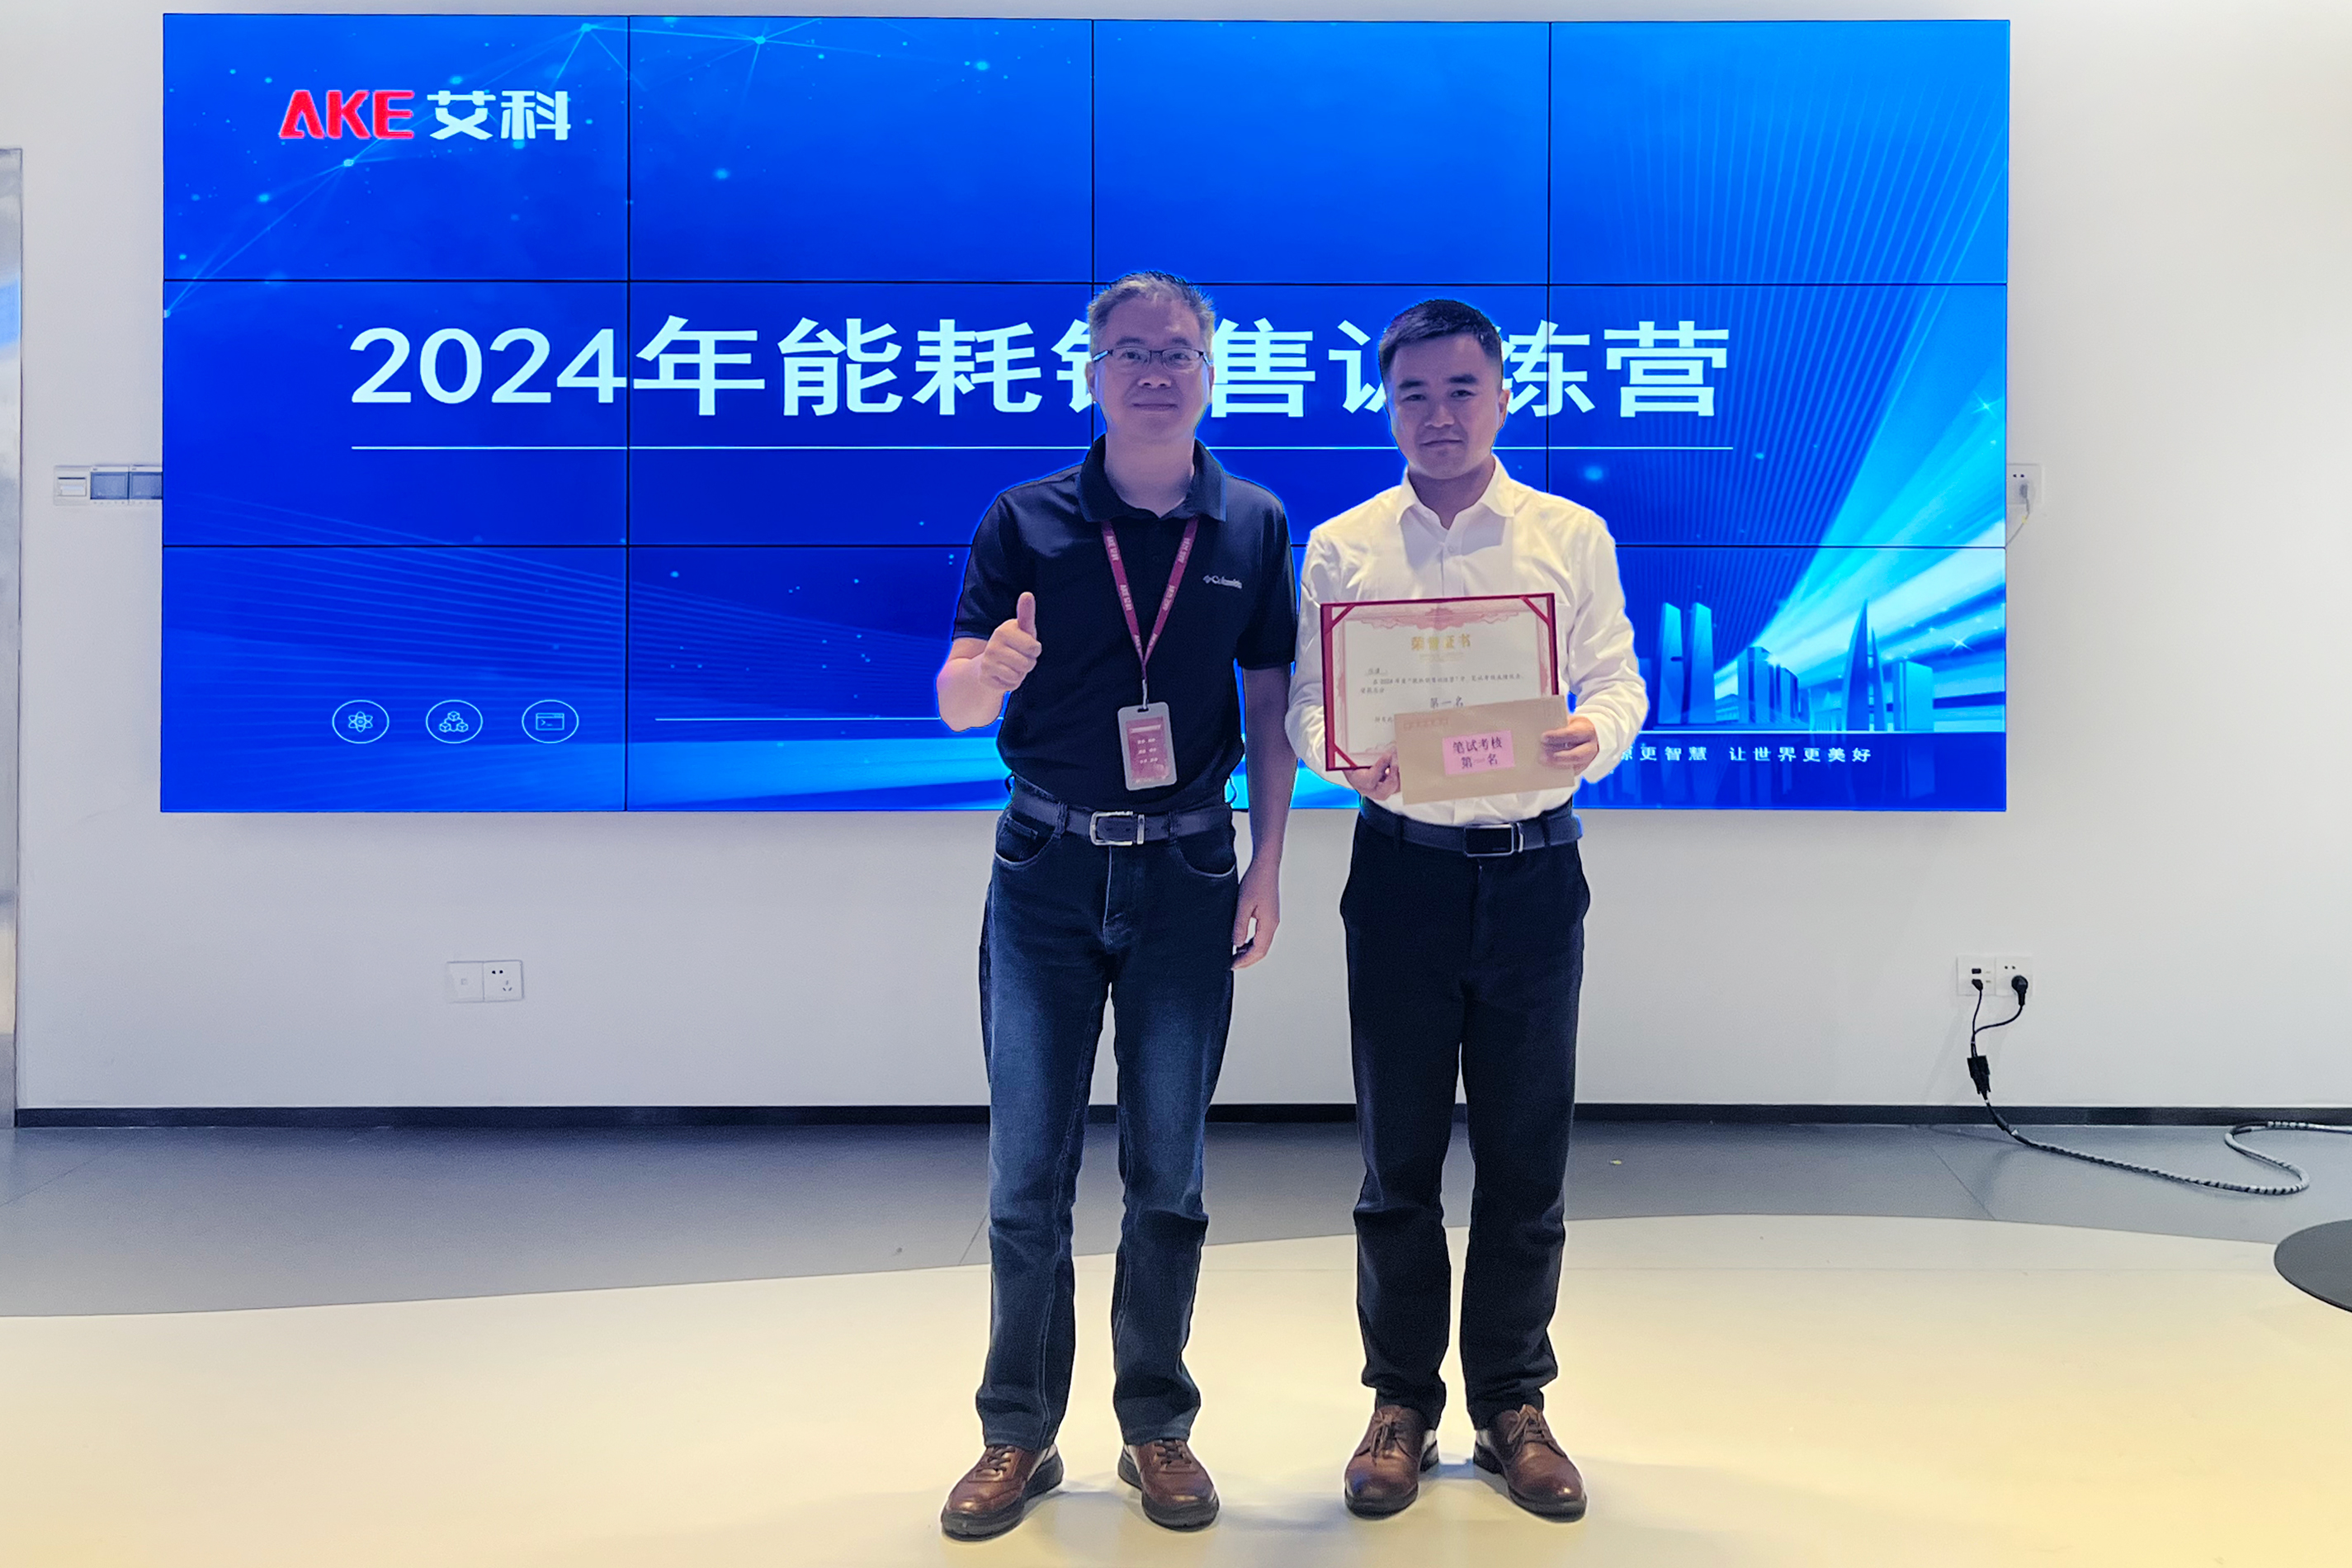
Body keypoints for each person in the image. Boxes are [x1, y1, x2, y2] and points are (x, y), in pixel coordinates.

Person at [933, 272, 1299, 1540]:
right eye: (1130, 352)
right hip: (1045, 865)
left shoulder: (1250, 523)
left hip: (1190, 872)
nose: (1154, 370)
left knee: (1169, 1177)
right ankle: (1016, 1434)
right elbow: (956, 702)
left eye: (1177, 351)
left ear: (1210, 370)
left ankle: (1156, 1428)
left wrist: (1267, 866)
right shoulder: (1024, 519)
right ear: (1091, 372)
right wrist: (991, 667)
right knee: (1024, 1176)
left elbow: (1269, 709)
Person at [1284, 300, 1646, 1522]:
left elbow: (1617, 677)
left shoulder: (1568, 535)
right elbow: (1308, 702)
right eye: (1413, 395)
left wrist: (1591, 734)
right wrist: (1344, 753)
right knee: (1394, 1162)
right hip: (1404, 873)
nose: (1437, 415)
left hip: (1535, 873)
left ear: (1502, 396)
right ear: (1388, 407)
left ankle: (1511, 1405)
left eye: (1459, 390)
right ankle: (1399, 1403)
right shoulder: (1344, 546)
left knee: (1524, 1157)